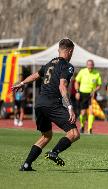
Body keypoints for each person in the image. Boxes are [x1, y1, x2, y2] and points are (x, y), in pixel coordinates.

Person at [12, 38, 80, 171]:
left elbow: (36, 75)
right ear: (70, 51)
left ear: (59, 50)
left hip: (40, 103)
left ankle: (26, 164)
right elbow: (62, 86)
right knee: (74, 133)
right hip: (52, 103)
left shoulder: (50, 63)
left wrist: (22, 83)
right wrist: (70, 107)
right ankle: (54, 152)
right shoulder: (67, 66)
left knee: (46, 135)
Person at [75, 59, 102, 134]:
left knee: (91, 112)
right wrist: (77, 92)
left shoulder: (97, 73)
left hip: (91, 94)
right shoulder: (82, 71)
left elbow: (99, 85)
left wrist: (94, 90)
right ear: (87, 65)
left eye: (91, 65)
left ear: (93, 65)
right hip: (82, 94)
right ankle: (82, 125)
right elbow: (76, 81)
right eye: (89, 64)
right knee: (83, 113)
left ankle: (90, 129)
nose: (90, 66)